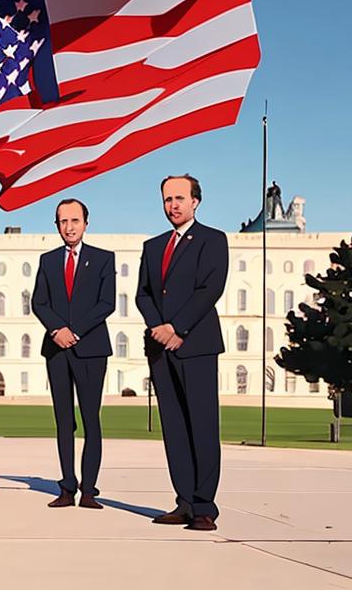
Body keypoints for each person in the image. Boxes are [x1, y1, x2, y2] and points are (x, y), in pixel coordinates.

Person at [134, 175, 228, 531]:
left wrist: (178, 328)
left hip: (196, 345)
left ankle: (205, 506)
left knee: (202, 426)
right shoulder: (153, 246)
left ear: (195, 202)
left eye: (179, 198)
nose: (172, 205)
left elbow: (210, 289)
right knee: (174, 428)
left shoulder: (212, 240)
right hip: (161, 348)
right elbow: (143, 292)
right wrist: (160, 327)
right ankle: (185, 501)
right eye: (167, 199)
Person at [31, 198, 115, 509]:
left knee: (91, 420)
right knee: (63, 421)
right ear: (57, 226)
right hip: (56, 349)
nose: (69, 227)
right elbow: (39, 302)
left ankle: (89, 489)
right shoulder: (48, 260)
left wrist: (74, 331)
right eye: (63, 222)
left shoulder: (103, 258)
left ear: (85, 223)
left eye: (74, 221)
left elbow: (106, 303)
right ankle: (67, 487)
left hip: (90, 349)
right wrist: (57, 330)